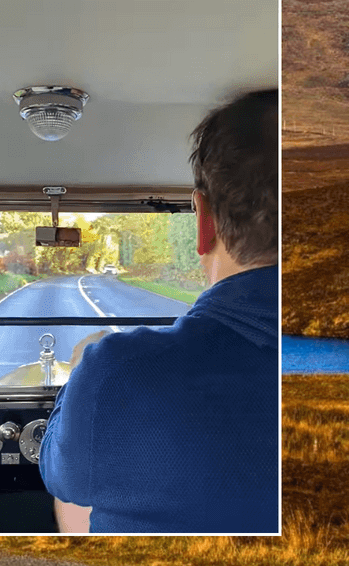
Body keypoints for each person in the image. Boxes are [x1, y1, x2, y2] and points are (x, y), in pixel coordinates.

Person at [39, 89, 279, 534]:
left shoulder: (116, 371)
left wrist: (81, 368)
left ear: (203, 222)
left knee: (76, 491)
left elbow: (60, 476)